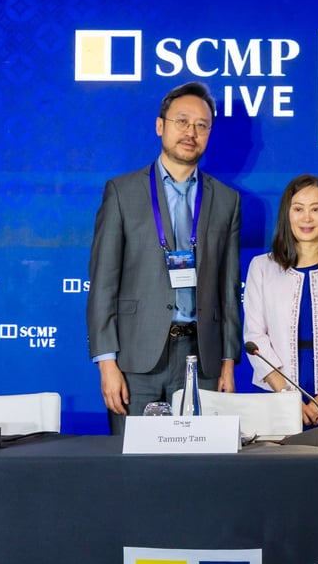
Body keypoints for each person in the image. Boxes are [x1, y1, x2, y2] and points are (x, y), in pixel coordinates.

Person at [86, 81, 242, 435]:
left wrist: (228, 363)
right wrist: (107, 363)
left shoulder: (227, 200)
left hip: (202, 359)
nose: (191, 132)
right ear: (161, 126)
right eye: (182, 121)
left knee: (197, 468)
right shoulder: (122, 192)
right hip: (135, 358)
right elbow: (103, 283)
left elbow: (228, 290)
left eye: (202, 125)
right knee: (134, 473)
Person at [243, 174, 318, 429]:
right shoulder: (262, 267)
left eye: (316, 209)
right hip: (275, 395)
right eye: (298, 209)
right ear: (287, 214)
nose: (307, 218)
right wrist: (287, 397)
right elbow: (254, 336)